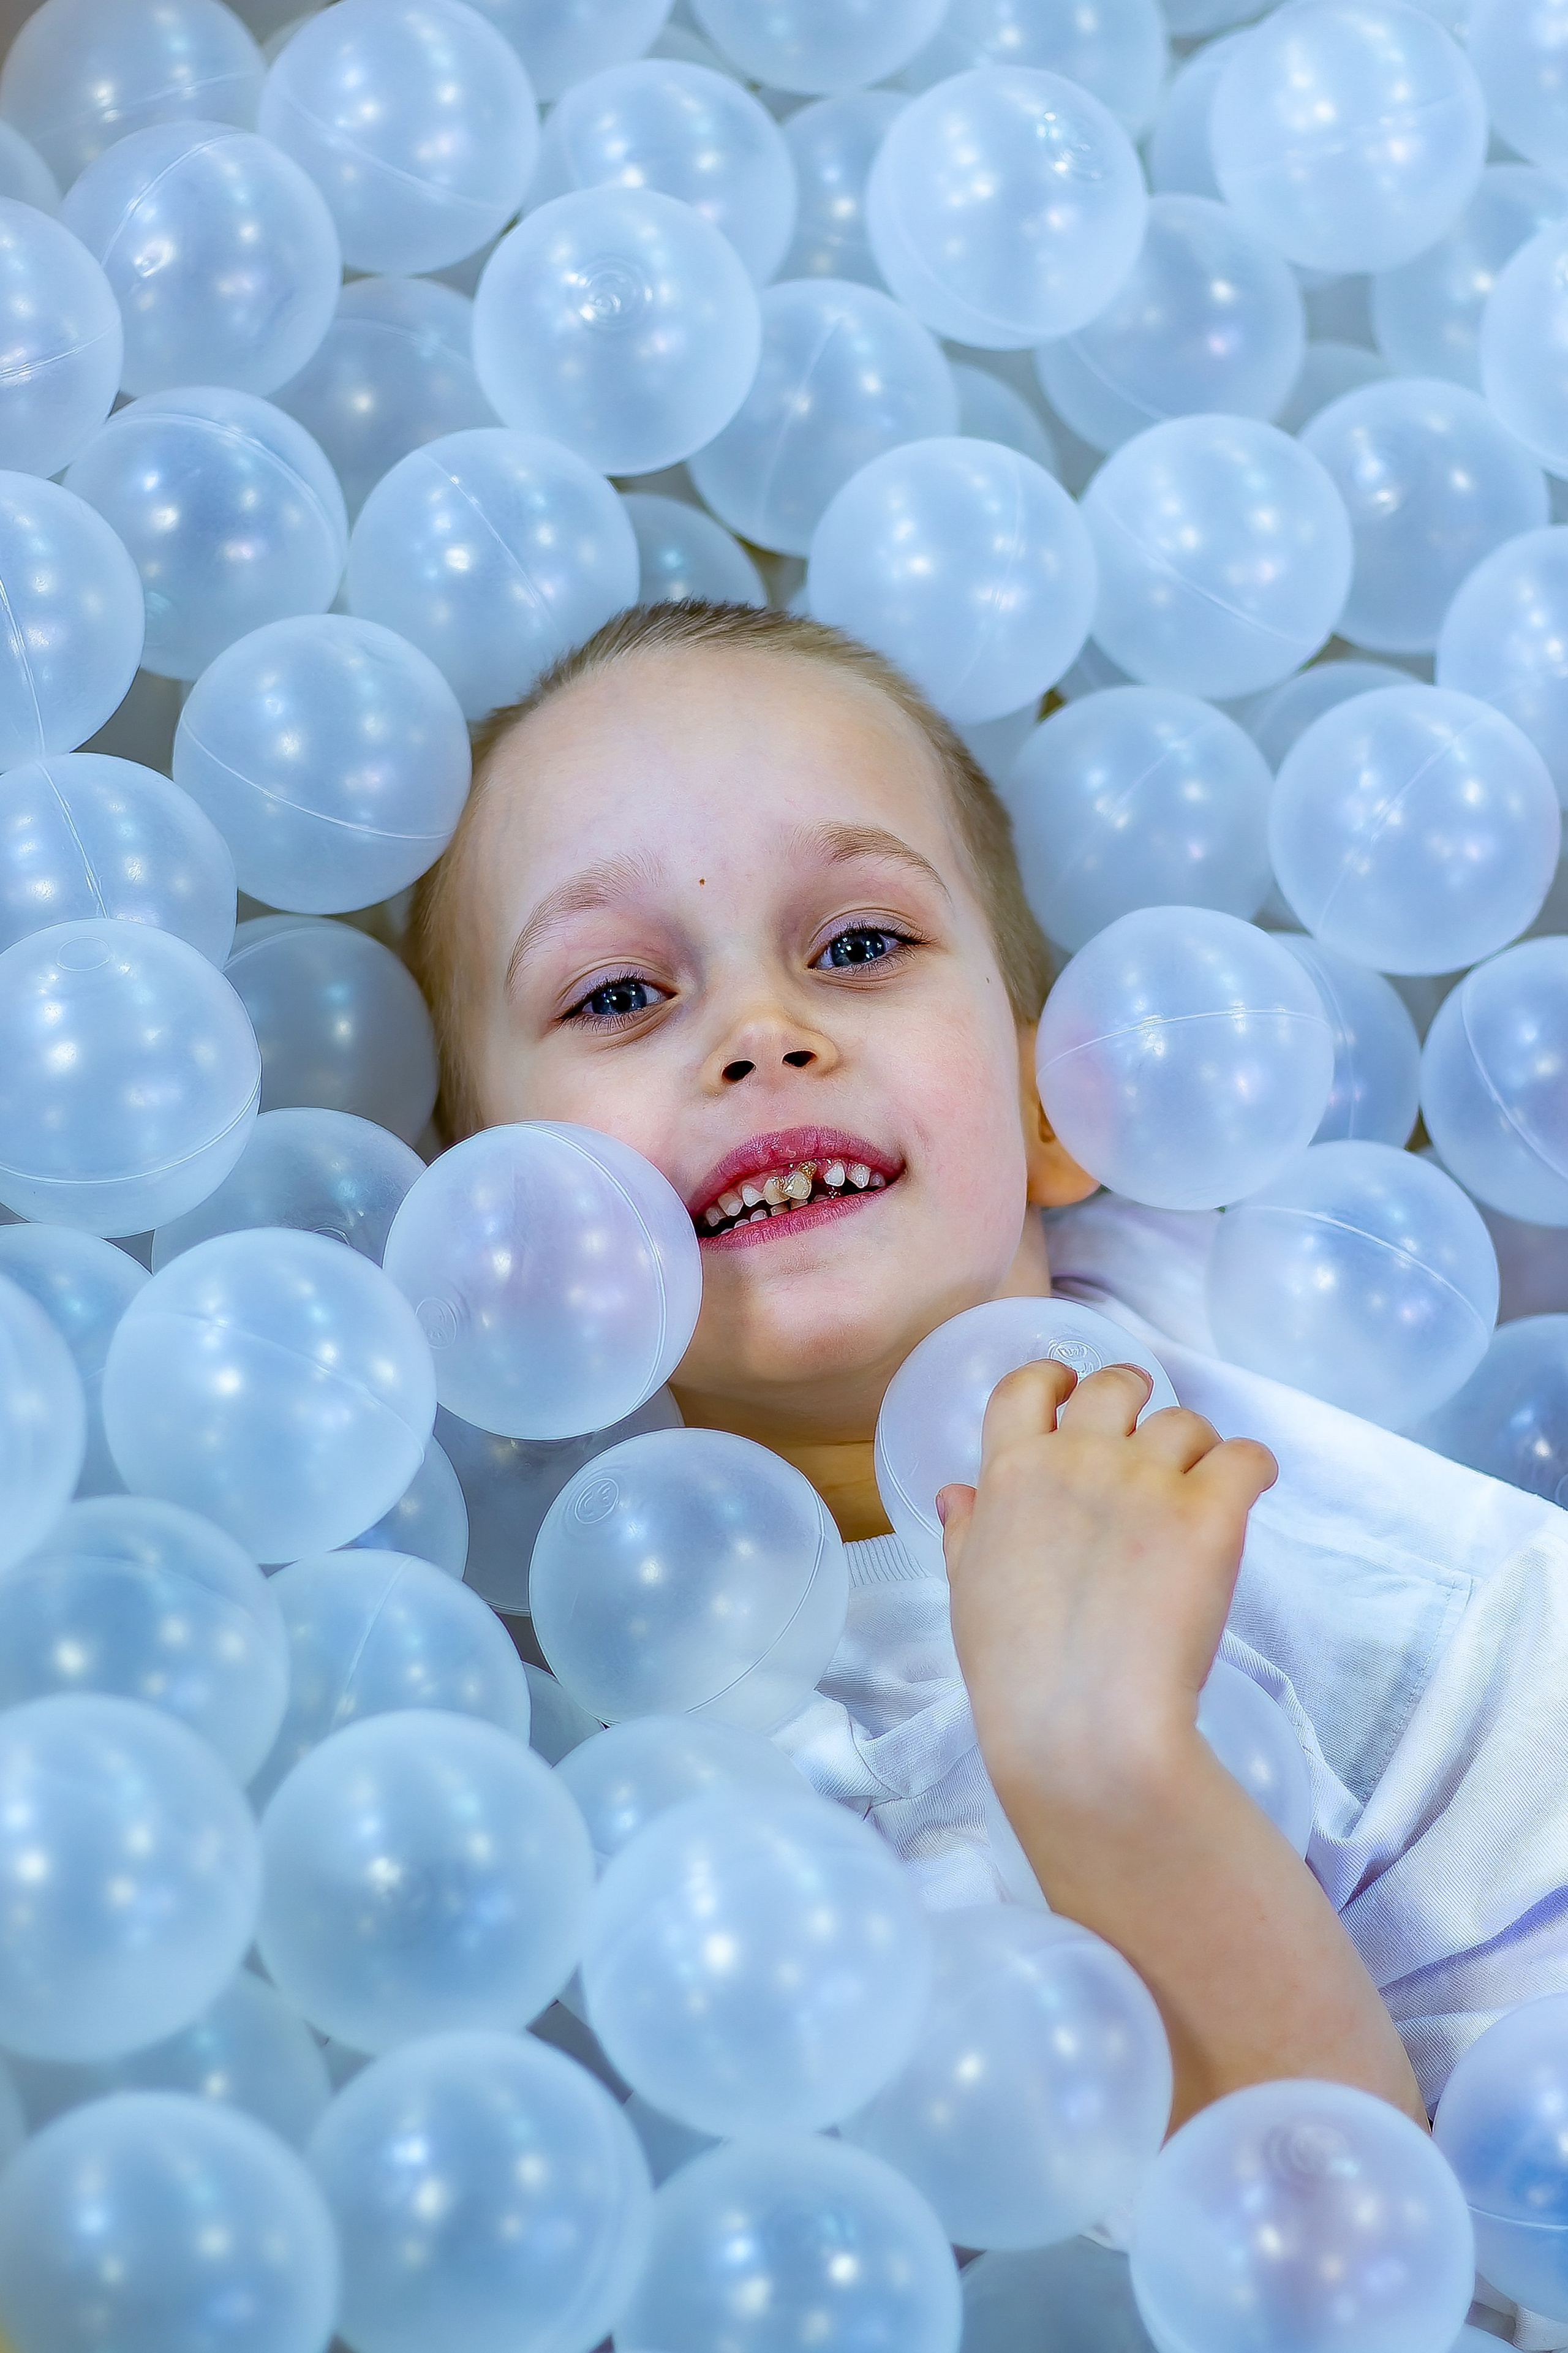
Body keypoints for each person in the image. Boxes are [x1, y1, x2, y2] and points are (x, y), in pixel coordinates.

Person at [408, 600, 1568, 2335]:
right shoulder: (783, 1784)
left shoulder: (1207, 1247)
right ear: (499, 1239)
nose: (763, 1031)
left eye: (861, 943)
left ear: (1047, 1102)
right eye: (619, 993)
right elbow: (1345, 2288)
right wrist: (1099, 1769)